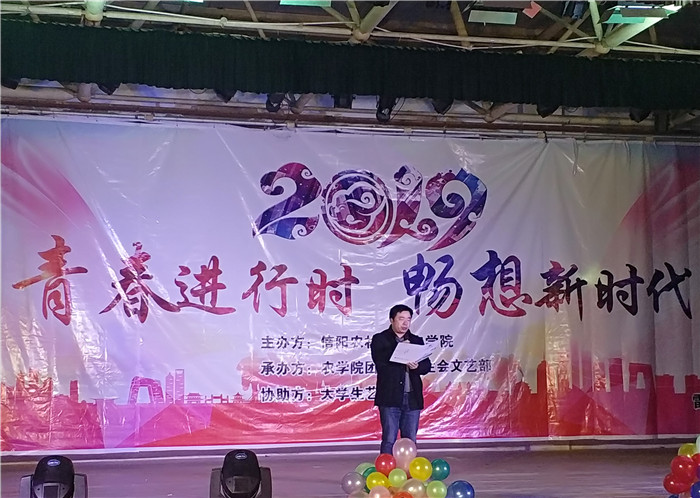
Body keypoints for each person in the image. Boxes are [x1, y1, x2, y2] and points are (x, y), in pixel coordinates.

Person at [371, 304, 431, 455]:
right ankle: (386, 469)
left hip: (412, 398)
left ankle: (409, 469)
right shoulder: (380, 339)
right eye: (401, 319)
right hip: (390, 397)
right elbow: (381, 363)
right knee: (389, 439)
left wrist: (416, 367)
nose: (405, 323)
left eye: (408, 319)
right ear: (392, 320)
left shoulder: (416, 341)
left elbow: (426, 366)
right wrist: (401, 350)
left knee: (410, 439)